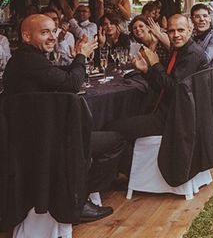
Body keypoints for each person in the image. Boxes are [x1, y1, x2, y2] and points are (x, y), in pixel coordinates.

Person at [3, 14, 124, 222]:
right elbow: (72, 84)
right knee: (116, 139)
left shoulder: (23, 61)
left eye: (53, 31)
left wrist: (77, 57)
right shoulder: (31, 62)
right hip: (53, 143)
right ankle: (78, 197)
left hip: (29, 140)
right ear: (26, 36)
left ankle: (75, 191)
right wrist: (81, 57)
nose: (52, 37)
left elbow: (57, 74)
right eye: (44, 32)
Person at [105, 14, 209, 172]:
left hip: (174, 120)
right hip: (172, 112)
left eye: (180, 30)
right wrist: (147, 70)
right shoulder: (182, 50)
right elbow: (164, 85)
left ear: (190, 30)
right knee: (124, 119)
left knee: (112, 129)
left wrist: (155, 65)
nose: (176, 35)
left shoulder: (191, 55)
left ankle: (134, 174)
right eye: (171, 31)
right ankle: (137, 171)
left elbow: (174, 89)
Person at [191, 3, 213, 68]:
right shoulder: (190, 36)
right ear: (192, 20)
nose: (202, 19)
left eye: (205, 16)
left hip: (209, 76)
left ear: (210, 18)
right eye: (197, 16)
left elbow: (205, 60)